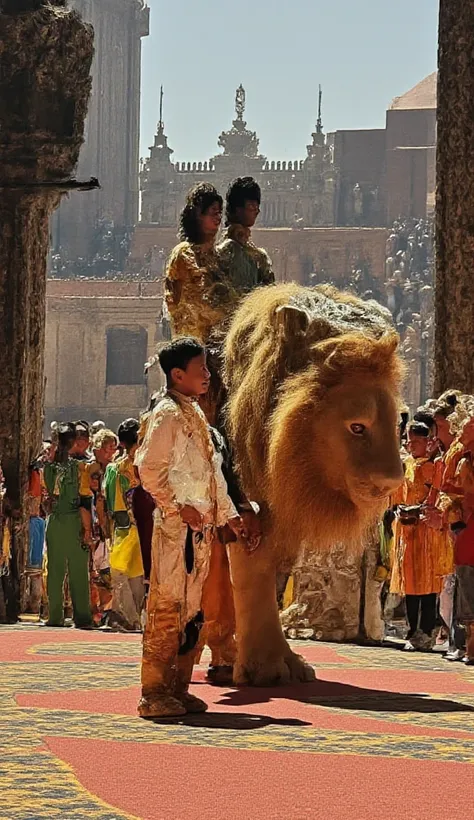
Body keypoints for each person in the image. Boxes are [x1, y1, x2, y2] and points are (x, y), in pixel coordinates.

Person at [134, 338, 246, 718]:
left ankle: (179, 687)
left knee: (193, 612)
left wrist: (229, 514)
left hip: (201, 530)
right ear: (177, 374)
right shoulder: (166, 414)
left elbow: (213, 474)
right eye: (202, 371)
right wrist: (177, 506)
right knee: (168, 606)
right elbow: (148, 468)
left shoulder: (195, 414)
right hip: (174, 530)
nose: (208, 377)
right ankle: (153, 691)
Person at [164, 182, 237, 343]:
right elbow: (174, 301)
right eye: (212, 212)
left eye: (219, 213)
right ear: (198, 215)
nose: (218, 218)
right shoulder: (183, 254)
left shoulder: (218, 258)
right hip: (192, 343)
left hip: (219, 343)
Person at [390, 422, 441, 651]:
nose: (411, 446)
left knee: (428, 582)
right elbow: (398, 496)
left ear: (427, 442)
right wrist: (400, 509)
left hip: (427, 531)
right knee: (409, 581)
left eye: (416, 442)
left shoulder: (433, 467)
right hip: (407, 531)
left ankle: (428, 630)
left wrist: (418, 509)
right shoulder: (406, 465)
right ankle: (412, 631)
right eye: (409, 441)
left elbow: (436, 497)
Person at [43, 423, 93, 629]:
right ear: (73, 441)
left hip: (55, 521)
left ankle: (55, 616)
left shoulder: (49, 467)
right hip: (74, 520)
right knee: (78, 570)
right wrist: (88, 529)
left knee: (55, 570)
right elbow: (83, 502)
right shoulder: (80, 468)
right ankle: (82, 617)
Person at [104, 419, 144, 631]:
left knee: (135, 575)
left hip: (134, 527)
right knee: (124, 574)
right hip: (127, 528)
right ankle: (127, 616)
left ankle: (133, 617)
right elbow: (112, 501)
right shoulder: (117, 470)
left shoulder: (141, 466)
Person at [217, 176, 274, 292]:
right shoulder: (228, 250)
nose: (257, 210)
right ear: (238, 209)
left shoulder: (257, 255)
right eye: (251, 205)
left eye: (257, 205)